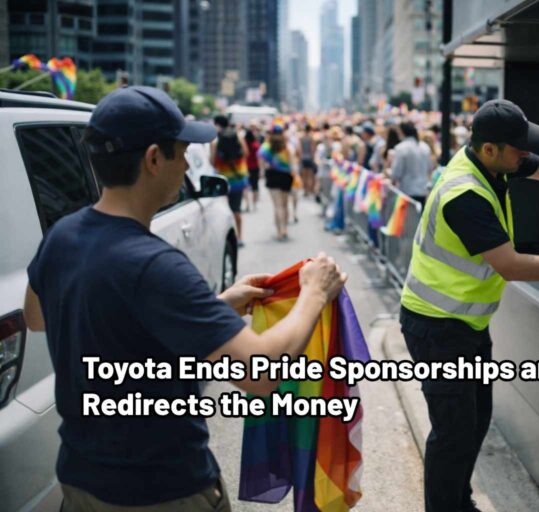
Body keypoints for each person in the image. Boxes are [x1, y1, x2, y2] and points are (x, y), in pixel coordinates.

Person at [22, 86, 347, 512]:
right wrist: (314, 293)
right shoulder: (156, 266)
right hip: (162, 493)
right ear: (155, 159)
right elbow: (261, 375)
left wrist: (217, 307)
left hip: (81, 484)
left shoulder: (62, 235)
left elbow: (38, 315)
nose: (185, 166)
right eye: (182, 153)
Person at [399, 99, 539, 512]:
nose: (526, 155)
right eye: (519, 149)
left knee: (475, 422)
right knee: (453, 433)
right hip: (436, 328)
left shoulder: (492, 159)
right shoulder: (464, 195)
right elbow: (512, 265)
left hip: (464, 326)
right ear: (490, 149)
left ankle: (457, 500)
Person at [210, 115, 249, 246]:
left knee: (223, 210)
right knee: (236, 210)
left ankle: (225, 239)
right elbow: (246, 153)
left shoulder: (215, 141)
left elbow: (212, 162)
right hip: (238, 179)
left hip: (223, 180)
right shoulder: (238, 137)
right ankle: (240, 237)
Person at [259, 125, 295, 241]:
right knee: (285, 205)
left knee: (277, 206)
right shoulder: (287, 146)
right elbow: (292, 163)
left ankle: (279, 231)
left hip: (273, 176)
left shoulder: (266, 147)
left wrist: (264, 170)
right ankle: (285, 229)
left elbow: (261, 161)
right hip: (286, 177)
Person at [390, 121, 433, 208]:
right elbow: (430, 168)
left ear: (402, 132)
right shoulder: (425, 147)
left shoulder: (401, 148)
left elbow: (396, 173)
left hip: (406, 191)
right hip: (422, 190)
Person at [244, 121, 262, 211]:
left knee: (246, 186)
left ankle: (247, 204)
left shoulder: (243, 145)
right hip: (255, 167)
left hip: (245, 167)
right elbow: (259, 158)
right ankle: (254, 204)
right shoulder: (256, 145)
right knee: (255, 186)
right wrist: (261, 170)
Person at [298, 124, 317, 198]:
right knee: (310, 175)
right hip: (309, 158)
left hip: (303, 158)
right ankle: (309, 190)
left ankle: (305, 190)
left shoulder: (301, 138)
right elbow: (312, 149)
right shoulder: (311, 138)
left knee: (304, 176)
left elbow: (299, 149)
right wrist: (313, 158)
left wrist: (300, 158)